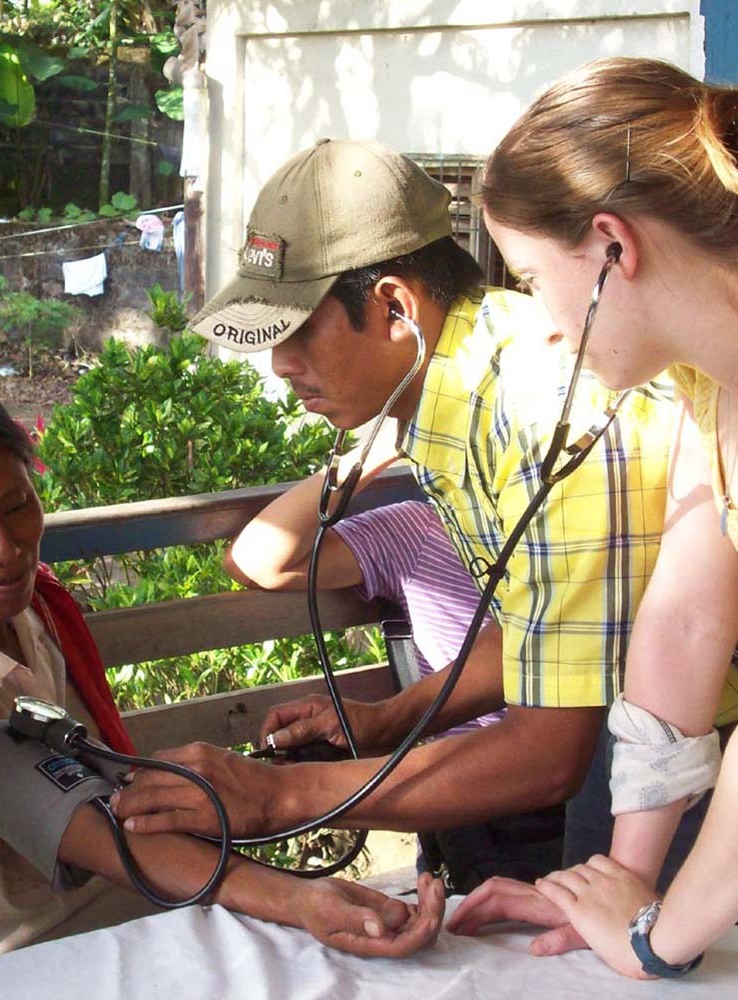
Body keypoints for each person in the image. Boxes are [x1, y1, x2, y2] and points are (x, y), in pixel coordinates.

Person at [111, 138, 682, 888]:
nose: (280, 366)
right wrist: (395, 718)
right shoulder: (454, 403)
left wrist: (278, 797)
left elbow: (550, 751)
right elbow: (548, 626)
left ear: (393, 306)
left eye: (297, 330)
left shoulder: (536, 404)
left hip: (679, 749)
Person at [0, 374, 444, 981]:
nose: (5, 548)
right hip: (5, 962)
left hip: (134, 916)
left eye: (17, 506)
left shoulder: (30, 612)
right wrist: (294, 897)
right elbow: (69, 813)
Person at [444, 56, 738, 979]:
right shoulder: (707, 383)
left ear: (613, 246)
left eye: (531, 277)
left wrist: (658, 936)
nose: (542, 324)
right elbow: (687, 619)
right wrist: (614, 886)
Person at [224, 421, 566, 893]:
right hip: (475, 793)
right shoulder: (421, 530)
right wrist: (383, 441)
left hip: (575, 771)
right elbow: (256, 559)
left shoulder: (571, 530)